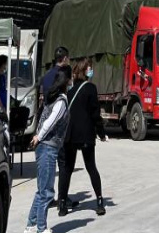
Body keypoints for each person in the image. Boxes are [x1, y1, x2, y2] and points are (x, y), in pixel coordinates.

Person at [58, 59, 108, 217]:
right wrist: (101, 133)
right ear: (85, 71)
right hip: (86, 134)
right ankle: (99, 202)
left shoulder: (70, 90)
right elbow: (95, 114)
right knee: (91, 167)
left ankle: (62, 204)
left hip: (70, 134)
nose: (91, 70)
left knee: (67, 169)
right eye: (89, 68)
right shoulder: (91, 88)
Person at [25, 67, 70, 234]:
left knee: (41, 190)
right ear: (66, 82)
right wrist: (39, 136)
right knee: (47, 192)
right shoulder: (61, 101)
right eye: (70, 79)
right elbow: (50, 121)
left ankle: (31, 225)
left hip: (44, 147)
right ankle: (41, 228)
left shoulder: (52, 97)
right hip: (48, 148)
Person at [40, 46, 76, 208]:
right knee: (63, 163)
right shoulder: (63, 74)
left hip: (46, 119)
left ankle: (46, 195)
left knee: (48, 165)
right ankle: (62, 198)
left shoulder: (47, 75)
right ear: (65, 58)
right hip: (58, 124)